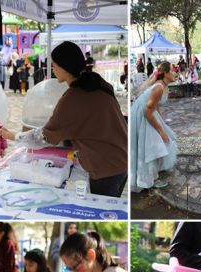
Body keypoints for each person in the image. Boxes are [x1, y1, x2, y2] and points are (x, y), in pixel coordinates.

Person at [15, 42, 128, 197]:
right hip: (121, 157)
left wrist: (13, 136)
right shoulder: (99, 83)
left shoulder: (73, 98)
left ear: (65, 66)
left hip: (105, 167)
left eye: (54, 65)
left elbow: (43, 138)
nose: (53, 69)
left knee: (102, 209)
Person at [130, 61, 178, 192]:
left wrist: (161, 120)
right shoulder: (159, 87)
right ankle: (149, 177)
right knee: (151, 145)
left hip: (149, 112)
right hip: (144, 115)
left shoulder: (162, 85)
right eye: (173, 71)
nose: (175, 73)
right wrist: (160, 129)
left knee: (157, 142)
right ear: (166, 73)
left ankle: (153, 173)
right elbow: (147, 110)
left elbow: (154, 106)